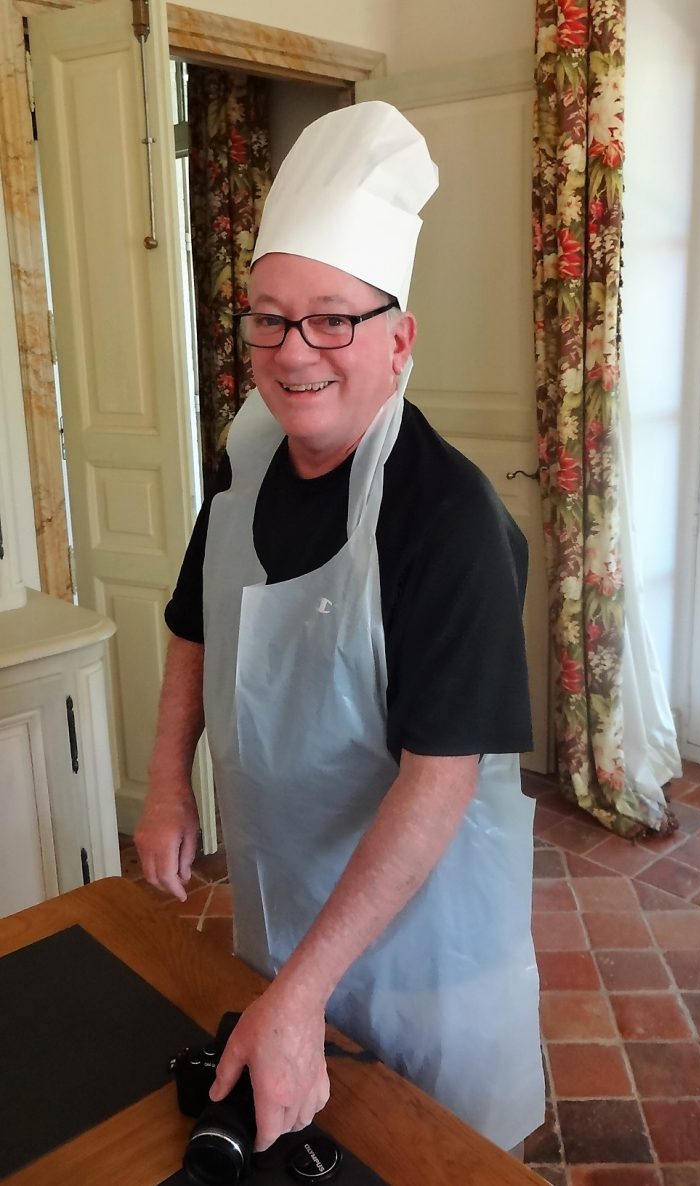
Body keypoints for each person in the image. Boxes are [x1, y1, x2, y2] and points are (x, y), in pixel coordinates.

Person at [136, 101, 544, 1155]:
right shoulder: (245, 467)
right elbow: (193, 623)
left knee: (420, 1156)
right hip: (285, 910)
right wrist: (169, 782)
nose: (295, 352)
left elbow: (439, 779)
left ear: (399, 340)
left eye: (332, 319)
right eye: (270, 319)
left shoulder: (448, 519)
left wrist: (304, 989)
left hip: (421, 950)